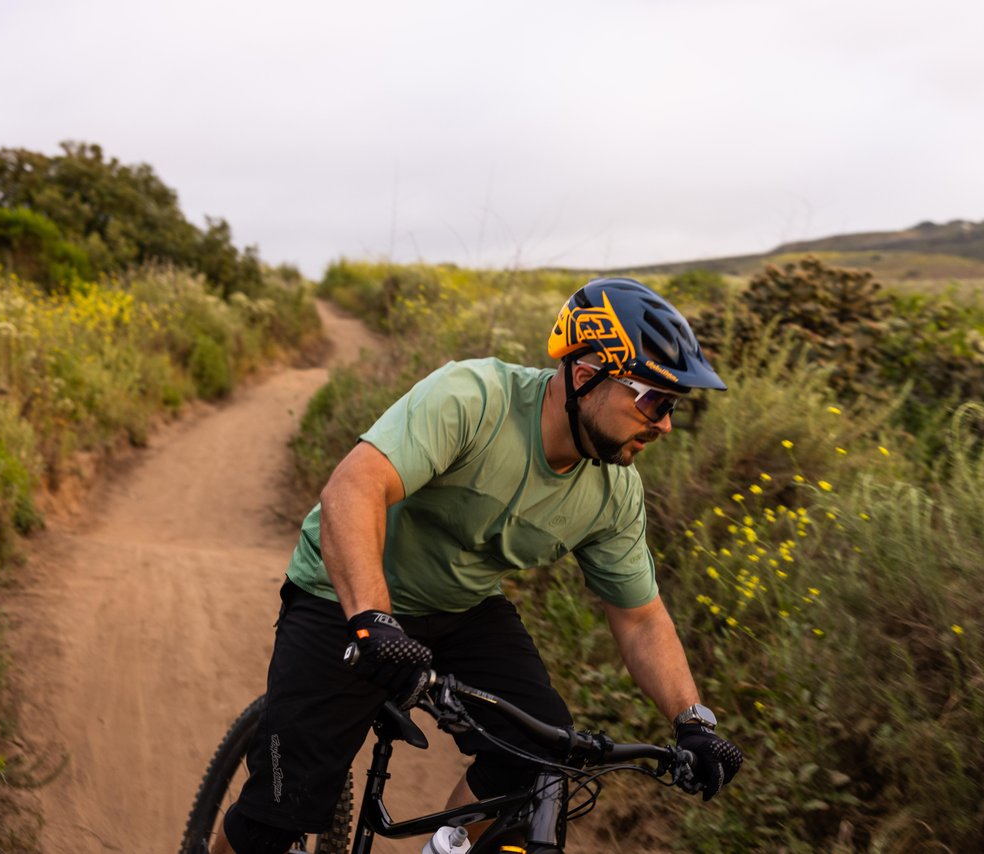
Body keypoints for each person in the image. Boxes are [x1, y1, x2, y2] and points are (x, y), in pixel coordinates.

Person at [216, 277, 744, 854]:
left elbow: (640, 617)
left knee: (539, 752)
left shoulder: (615, 492)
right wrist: (371, 620)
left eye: (673, 408)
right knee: (277, 814)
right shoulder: (474, 398)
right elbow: (355, 487)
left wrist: (693, 720)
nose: (664, 423)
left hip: (461, 609)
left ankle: (448, 847)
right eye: (654, 399)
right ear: (587, 371)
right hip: (342, 594)